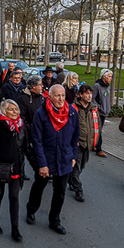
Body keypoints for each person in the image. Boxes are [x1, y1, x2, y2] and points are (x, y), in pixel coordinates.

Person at [26, 84, 80, 235]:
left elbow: (76, 135)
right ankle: (31, 210)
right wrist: (42, 164)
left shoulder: (72, 113)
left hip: (64, 158)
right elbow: (36, 140)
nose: (61, 99)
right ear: (49, 96)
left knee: (60, 191)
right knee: (39, 187)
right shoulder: (41, 113)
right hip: (46, 158)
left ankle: (54, 220)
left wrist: (73, 155)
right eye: (57, 95)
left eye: (63, 95)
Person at [0, 99, 29, 241]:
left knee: (14, 197)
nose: (15, 112)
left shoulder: (21, 127)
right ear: (3, 111)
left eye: (16, 109)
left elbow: (26, 148)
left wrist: (38, 165)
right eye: (11, 109)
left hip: (15, 167)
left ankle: (15, 229)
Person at [69, 84, 98, 202]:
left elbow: (97, 126)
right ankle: (78, 190)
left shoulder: (94, 109)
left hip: (88, 144)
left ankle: (70, 180)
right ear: (80, 95)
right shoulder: (73, 108)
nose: (89, 96)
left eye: (90, 93)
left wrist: (95, 142)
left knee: (82, 166)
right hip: (77, 144)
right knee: (76, 167)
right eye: (86, 93)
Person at [92, 69, 112, 157]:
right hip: (99, 112)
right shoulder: (97, 86)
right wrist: (99, 107)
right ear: (104, 77)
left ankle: (94, 144)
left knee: (98, 130)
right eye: (109, 76)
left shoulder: (108, 87)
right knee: (99, 131)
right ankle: (99, 149)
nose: (111, 78)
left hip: (104, 112)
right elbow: (92, 98)